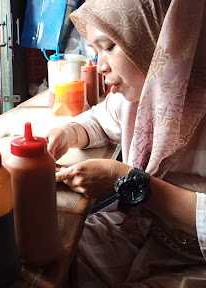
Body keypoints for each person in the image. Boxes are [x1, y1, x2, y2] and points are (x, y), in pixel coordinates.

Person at [46, 0, 206, 286]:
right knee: (48, 259)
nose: (99, 66)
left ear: (157, 37)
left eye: (108, 46)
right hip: (139, 232)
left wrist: (126, 180)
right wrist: (69, 133)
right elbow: (97, 121)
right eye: (95, 51)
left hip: (194, 262)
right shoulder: (133, 99)